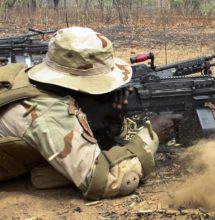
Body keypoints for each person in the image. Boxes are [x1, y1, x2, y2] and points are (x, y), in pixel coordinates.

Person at [0, 27, 181, 200]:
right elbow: (107, 180)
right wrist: (152, 134)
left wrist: (108, 124)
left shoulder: (24, 79)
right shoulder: (49, 112)